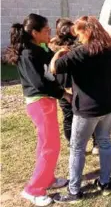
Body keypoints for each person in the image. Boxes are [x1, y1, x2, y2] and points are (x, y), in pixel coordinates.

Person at [50, 16, 111, 203]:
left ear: (87, 31)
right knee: (105, 142)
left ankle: (74, 192)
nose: (78, 38)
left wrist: (58, 53)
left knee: (77, 147)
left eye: (79, 33)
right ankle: (105, 182)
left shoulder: (80, 52)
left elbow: (54, 69)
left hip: (88, 109)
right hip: (109, 104)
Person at [5, 14, 69, 206]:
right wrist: (63, 94)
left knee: (47, 145)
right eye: (46, 30)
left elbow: (51, 59)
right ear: (34, 33)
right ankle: (33, 189)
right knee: (50, 147)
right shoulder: (27, 54)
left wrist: (60, 51)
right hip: (39, 103)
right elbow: (39, 83)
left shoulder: (38, 48)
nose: (50, 32)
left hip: (44, 102)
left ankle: (47, 178)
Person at [49, 18, 98, 154]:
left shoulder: (78, 46)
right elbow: (52, 68)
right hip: (65, 86)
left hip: (79, 86)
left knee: (89, 115)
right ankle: (74, 144)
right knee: (69, 116)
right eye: (71, 29)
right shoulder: (55, 48)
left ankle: (95, 144)